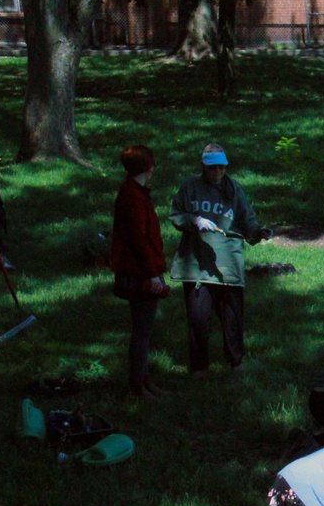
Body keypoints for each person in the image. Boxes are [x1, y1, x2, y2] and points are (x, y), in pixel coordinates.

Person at [170, 143, 272, 375]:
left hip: (228, 265)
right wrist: (194, 221)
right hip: (197, 264)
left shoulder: (234, 189)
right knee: (198, 319)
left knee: (232, 317)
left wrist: (257, 233)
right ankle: (199, 367)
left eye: (222, 168)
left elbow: (248, 221)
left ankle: (236, 361)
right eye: (212, 168)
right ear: (203, 167)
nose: (217, 172)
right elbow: (176, 215)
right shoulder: (190, 188)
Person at [110, 145, 170, 400]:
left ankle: (144, 380)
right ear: (148, 167)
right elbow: (138, 239)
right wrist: (152, 274)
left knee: (144, 331)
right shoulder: (132, 197)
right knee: (142, 333)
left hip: (143, 269)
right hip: (140, 273)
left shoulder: (135, 192)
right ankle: (137, 386)